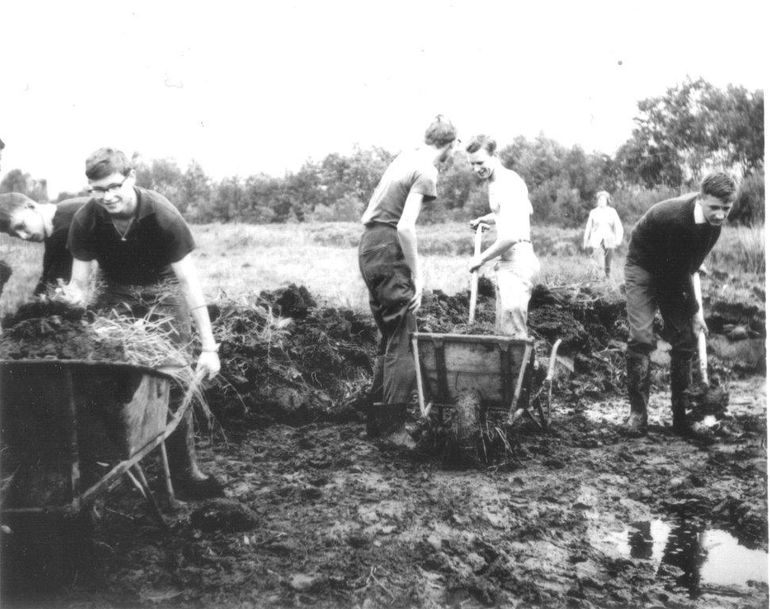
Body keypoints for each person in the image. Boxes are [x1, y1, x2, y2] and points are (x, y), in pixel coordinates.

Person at [63, 147, 224, 498]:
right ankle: (112, 465)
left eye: (114, 186)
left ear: (132, 178)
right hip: (114, 292)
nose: (107, 196)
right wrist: (71, 313)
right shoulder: (87, 219)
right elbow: (79, 284)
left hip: (162, 291)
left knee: (172, 376)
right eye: (97, 189)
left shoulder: (162, 216)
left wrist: (209, 347)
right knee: (106, 370)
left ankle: (185, 473)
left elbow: (189, 284)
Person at [358, 115, 458, 442]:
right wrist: (419, 275)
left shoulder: (405, 157)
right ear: (450, 144)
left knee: (389, 336)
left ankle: (377, 424)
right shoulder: (427, 170)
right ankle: (393, 430)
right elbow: (405, 226)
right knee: (403, 337)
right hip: (388, 245)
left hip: (369, 247)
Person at [623, 172, 737, 435]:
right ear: (700, 198)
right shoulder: (676, 220)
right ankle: (638, 414)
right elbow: (678, 274)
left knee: (685, 338)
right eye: (714, 208)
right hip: (643, 265)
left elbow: (689, 267)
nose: (720, 214)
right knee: (641, 336)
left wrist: (692, 316)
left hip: (672, 269)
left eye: (726, 208)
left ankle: (682, 417)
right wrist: (696, 312)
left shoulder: (713, 226)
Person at [466, 135, 540, 337]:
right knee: (504, 335)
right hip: (509, 262)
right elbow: (522, 211)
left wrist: (480, 258)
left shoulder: (507, 182)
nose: (476, 169)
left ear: (495, 155)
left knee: (512, 335)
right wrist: (486, 219)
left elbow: (510, 237)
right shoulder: (496, 181)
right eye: (472, 164)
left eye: (480, 162)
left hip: (517, 261)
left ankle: (523, 368)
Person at [0, 193, 89, 294]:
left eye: (21, 226)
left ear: (31, 207)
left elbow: (55, 286)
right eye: (16, 235)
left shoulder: (65, 227)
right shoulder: (58, 217)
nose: (23, 236)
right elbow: (47, 281)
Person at [582, 190, 623, 278]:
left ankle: (607, 280)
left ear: (607, 201)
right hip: (596, 238)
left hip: (609, 238)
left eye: (603, 200)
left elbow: (618, 226)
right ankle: (596, 280)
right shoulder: (594, 212)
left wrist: (618, 240)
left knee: (608, 264)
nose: (601, 201)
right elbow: (588, 227)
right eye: (600, 200)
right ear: (597, 201)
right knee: (597, 263)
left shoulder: (612, 211)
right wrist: (585, 240)